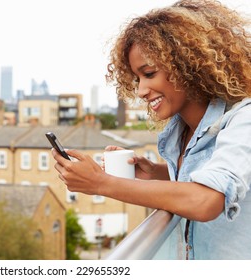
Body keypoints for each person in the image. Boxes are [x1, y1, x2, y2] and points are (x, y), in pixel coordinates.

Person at [51, 0, 251, 260]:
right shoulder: (180, 131)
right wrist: (156, 173)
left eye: (149, 73)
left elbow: (207, 200)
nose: (141, 91)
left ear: (188, 65)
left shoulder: (244, 120)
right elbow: (200, 179)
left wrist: (101, 183)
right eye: (137, 78)